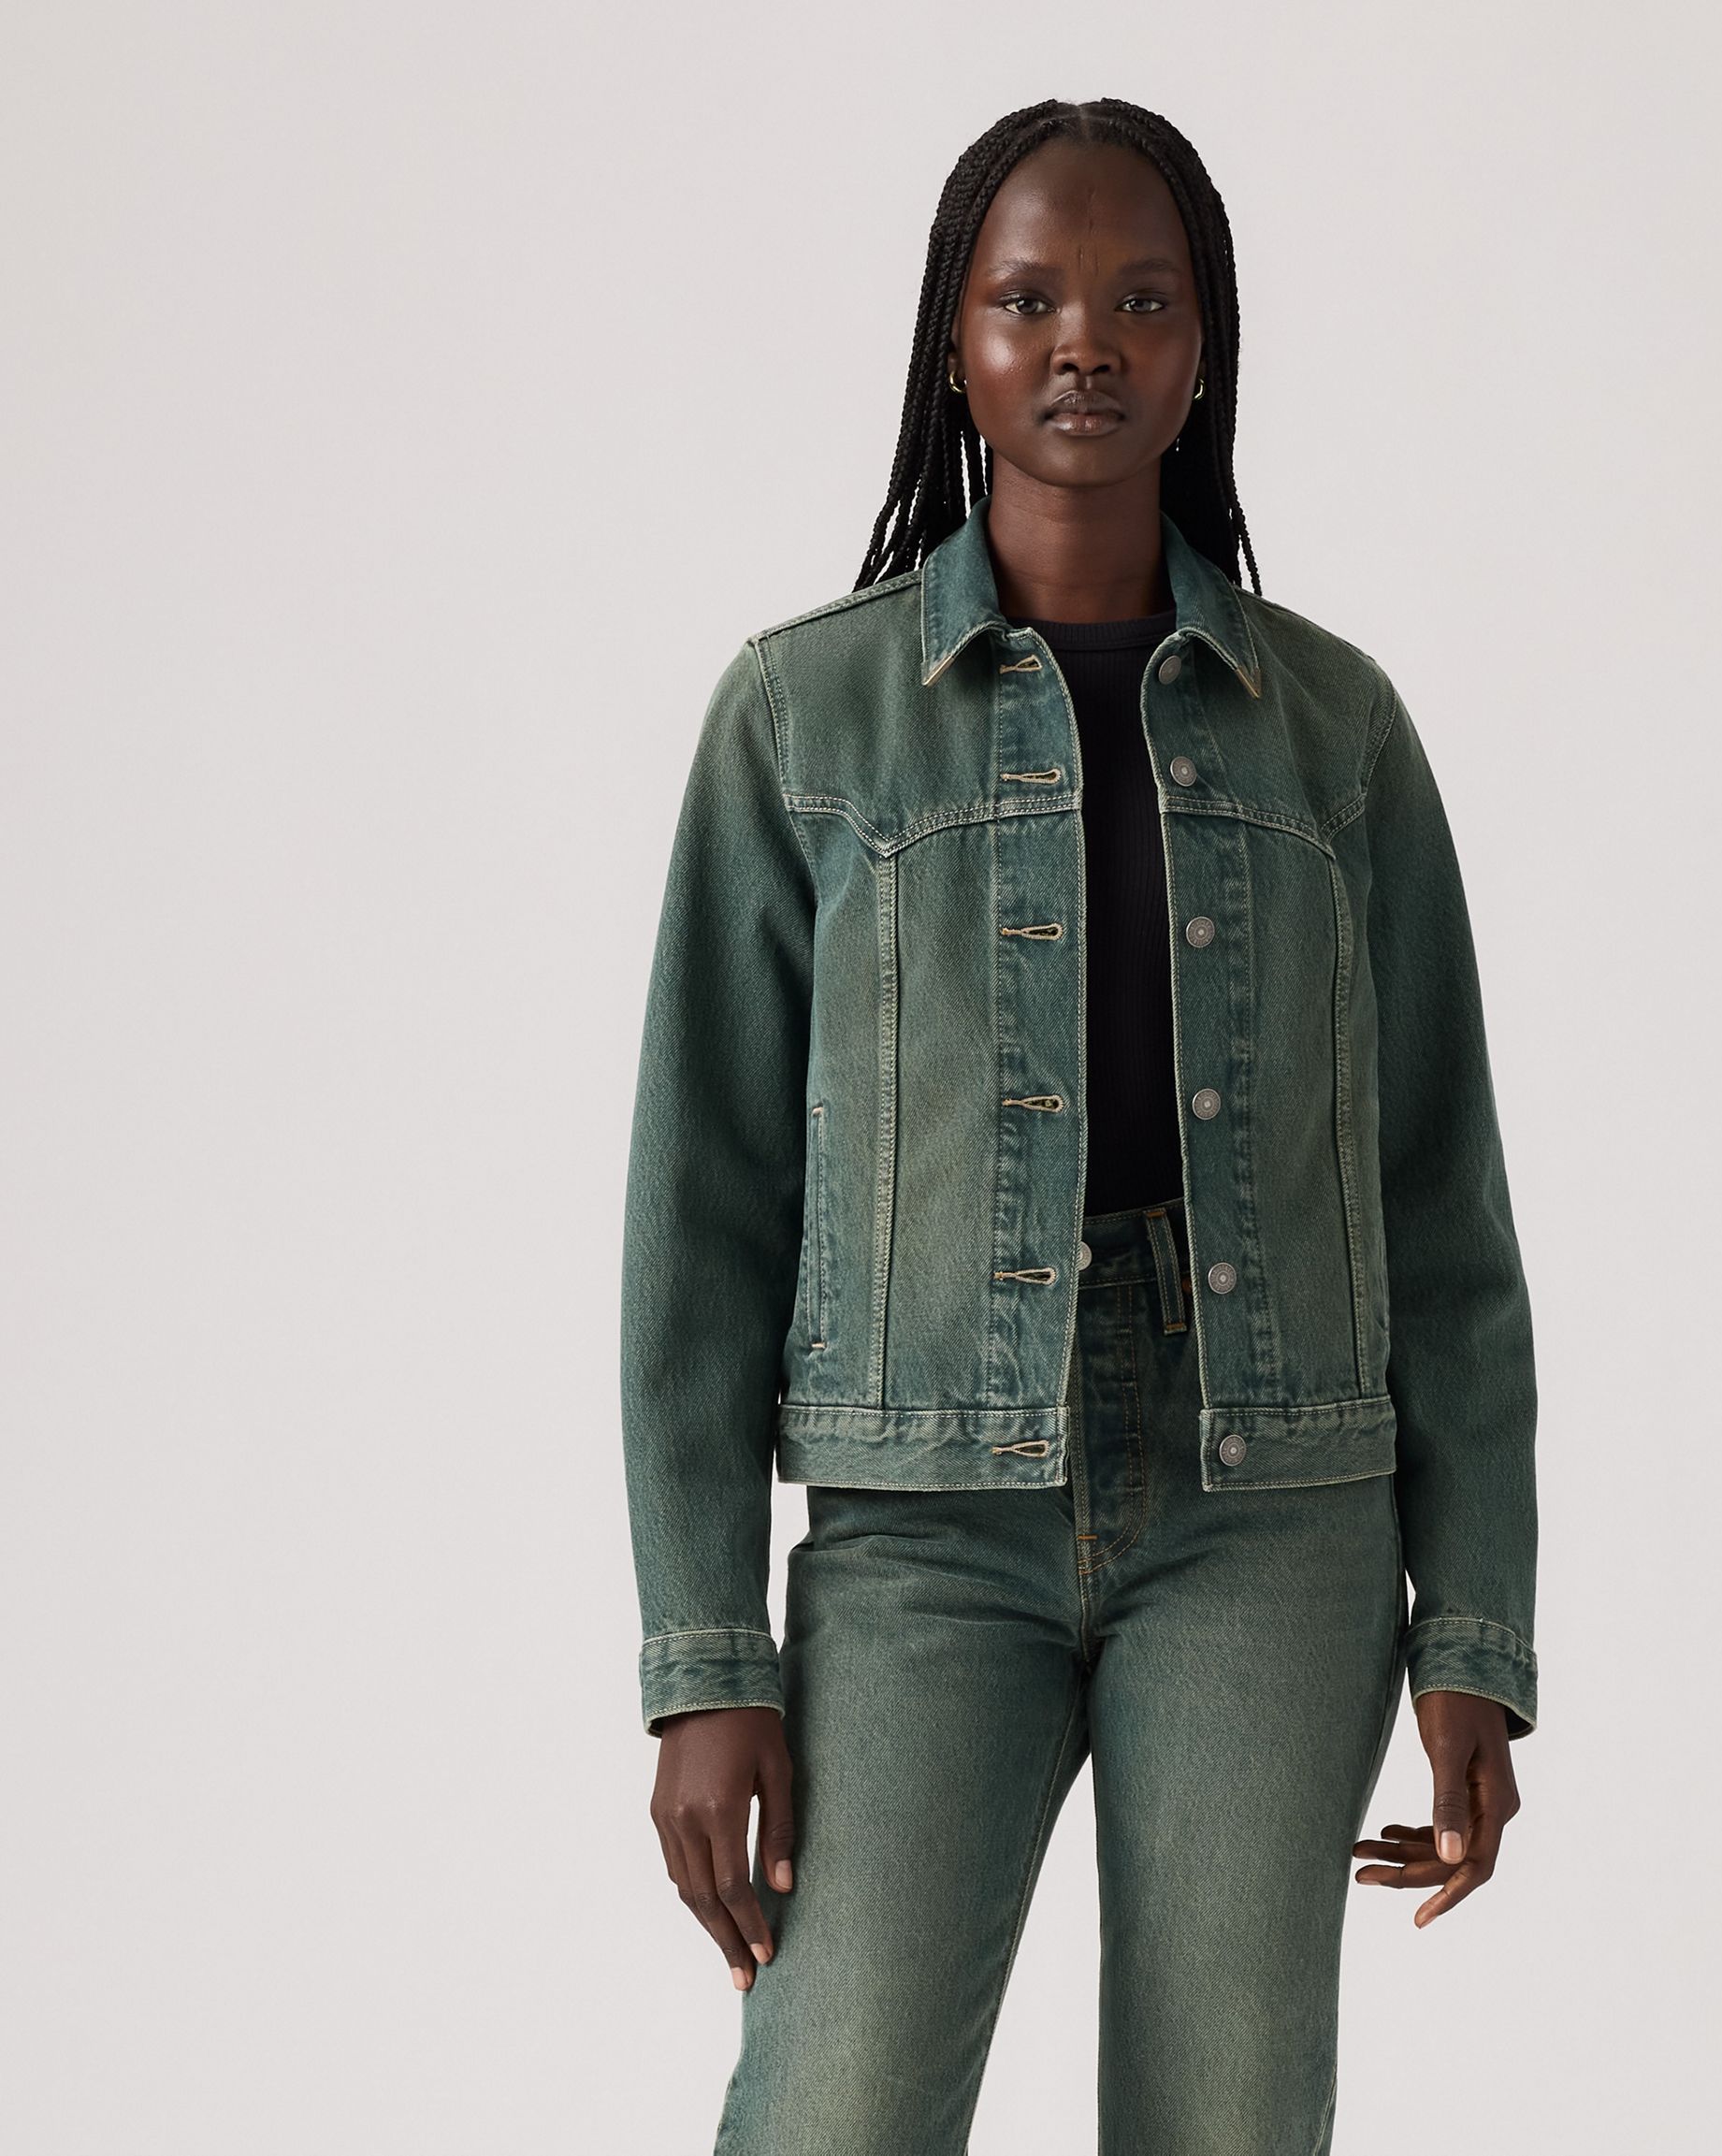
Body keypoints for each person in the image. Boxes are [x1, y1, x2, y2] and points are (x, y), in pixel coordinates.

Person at [618, 97, 1541, 2151]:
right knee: (834, 2102)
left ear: (1206, 347)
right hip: (923, 1517)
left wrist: (1473, 1623)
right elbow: (703, 1211)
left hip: (1272, 1505)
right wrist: (705, 1655)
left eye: (1141, 301)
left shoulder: (1335, 730)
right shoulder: (802, 719)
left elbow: (1440, 1203)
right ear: (951, 343)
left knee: (1224, 2118)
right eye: (1028, 299)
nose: (1083, 346)